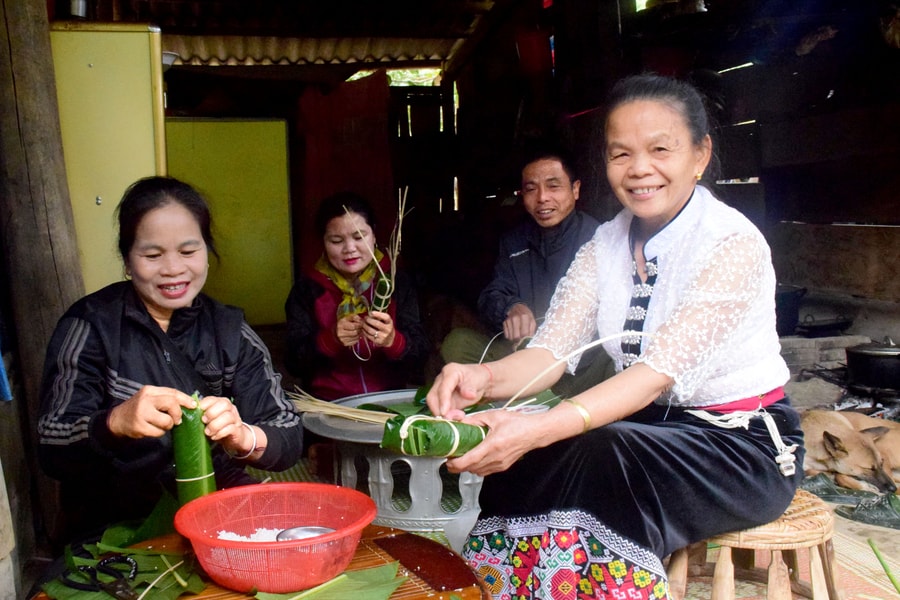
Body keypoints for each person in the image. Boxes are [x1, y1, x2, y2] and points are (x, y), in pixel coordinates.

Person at [426, 74, 805, 599]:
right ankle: (507, 591)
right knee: (530, 459)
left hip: (741, 444)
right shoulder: (605, 245)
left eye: (660, 149)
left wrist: (538, 427)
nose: (639, 169)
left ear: (699, 155)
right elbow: (550, 352)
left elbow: (652, 378)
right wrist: (481, 375)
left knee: (598, 452)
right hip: (651, 431)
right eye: (620, 153)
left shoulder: (730, 243)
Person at [37, 176, 303, 546]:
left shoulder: (230, 330)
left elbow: (288, 431)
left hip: (218, 510)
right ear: (128, 260)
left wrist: (244, 437)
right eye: (152, 255)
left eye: (188, 251)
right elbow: (51, 445)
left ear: (207, 252)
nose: (174, 268)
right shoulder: (91, 325)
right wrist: (113, 422)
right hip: (115, 523)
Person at [440, 144, 613, 395]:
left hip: (580, 368)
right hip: (523, 359)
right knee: (457, 344)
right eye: (531, 189)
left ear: (575, 190)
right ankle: (532, 398)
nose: (542, 197)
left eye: (553, 186)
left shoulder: (599, 239)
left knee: (615, 360)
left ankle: (546, 401)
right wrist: (510, 307)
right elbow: (492, 294)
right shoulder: (515, 242)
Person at [284, 191, 429, 401]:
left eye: (359, 236)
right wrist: (330, 339)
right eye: (336, 240)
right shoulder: (307, 290)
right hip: (329, 404)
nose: (350, 249)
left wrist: (393, 340)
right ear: (323, 242)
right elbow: (293, 363)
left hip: (390, 402)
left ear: (374, 234)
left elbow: (421, 356)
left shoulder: (396, 283)